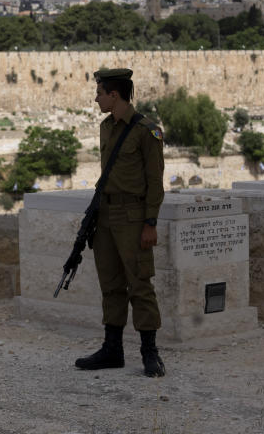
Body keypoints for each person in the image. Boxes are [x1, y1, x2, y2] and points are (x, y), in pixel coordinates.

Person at [74, 68, 166, 377]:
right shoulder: (105, 128)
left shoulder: (147, 131)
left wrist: (150, 222)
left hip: (133, 217)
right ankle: (112, 349)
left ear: (115, 95)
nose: (96, 98)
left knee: (139, 284)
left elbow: (155, 182)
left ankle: (150, 353)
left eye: (100, 93)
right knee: (111, 285)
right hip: (106, 216)